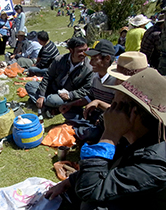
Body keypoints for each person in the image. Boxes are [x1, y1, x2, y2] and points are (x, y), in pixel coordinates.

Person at [45, 68, 166, 210]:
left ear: (133, 114)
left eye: (115, 105)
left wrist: (110, 135)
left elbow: (90, 189)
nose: (109, 110)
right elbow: (109, 167)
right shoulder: (135, 138)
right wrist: (69, 182)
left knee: (92, 206)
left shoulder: (155, 164)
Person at [59, 39, 116, 142]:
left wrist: (98, 103)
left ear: (107, 59)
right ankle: (84, 129)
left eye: (94, 59)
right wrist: (71, 104)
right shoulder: (95, 76)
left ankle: (81, 130)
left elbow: (118, 111)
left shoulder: (117, 81)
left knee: (95, 132)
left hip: (108, 119)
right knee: (67, 110)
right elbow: (90, 98)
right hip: (93, 114)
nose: (90, 62)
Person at [25, 37, 92, 117]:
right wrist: (41, 95)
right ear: (71, 50)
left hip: (66, 97)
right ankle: (49, 107)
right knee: (29, 85)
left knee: (52, 100)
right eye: (80, 51)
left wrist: (71, 95)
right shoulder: (59, 60)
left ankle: (48, 106)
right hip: (53, 88)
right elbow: (47, 77)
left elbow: (87, 89)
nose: (83, 54)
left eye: (85, 50)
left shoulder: (89, 68)